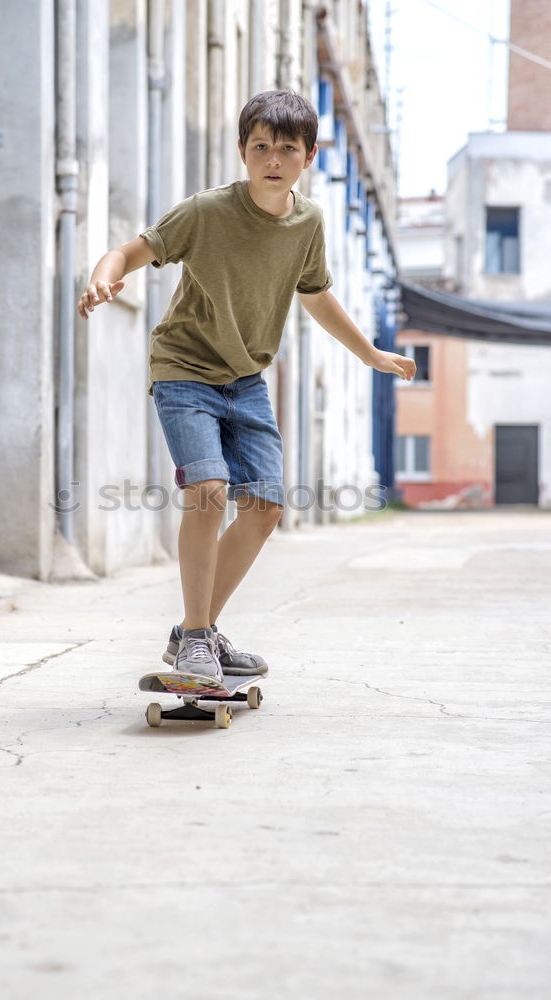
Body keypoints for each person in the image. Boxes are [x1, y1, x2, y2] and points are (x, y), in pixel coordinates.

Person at [78, 90, 416, 682]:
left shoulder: (309, 222)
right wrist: (104, 280)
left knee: (264, 509)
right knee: (208, 489)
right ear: (242, 151)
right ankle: (198, 638)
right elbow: (131, 250)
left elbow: (315, 295)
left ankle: (196, 633)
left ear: (309, 156)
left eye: (287, 148)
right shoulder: (206, 212)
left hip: (246, 378)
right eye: (260, 146)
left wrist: (371, 354)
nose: (273, 159)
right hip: (184, 369)